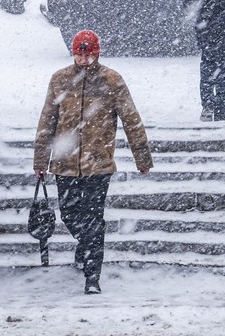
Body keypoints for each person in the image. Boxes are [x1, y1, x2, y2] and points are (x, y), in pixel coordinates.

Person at [33, 29, 153, 295]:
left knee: (94, 219)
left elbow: (131, 119)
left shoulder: (112, 80)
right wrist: (41, 159)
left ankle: (92, 276)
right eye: (79, 54)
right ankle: (86, 246)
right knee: (70, 215)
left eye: (88, 54)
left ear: (97, 53)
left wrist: (141, 157)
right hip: (64, 164)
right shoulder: (60, 79)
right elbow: (47, 121)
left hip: (98, 164)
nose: (84, 59)